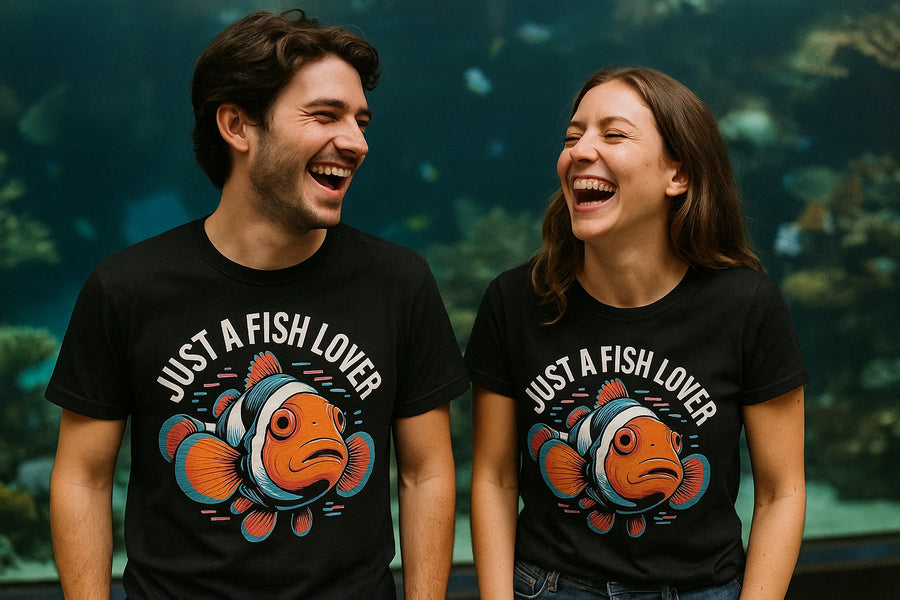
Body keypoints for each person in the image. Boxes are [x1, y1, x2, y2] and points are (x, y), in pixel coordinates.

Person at [47, 9, 468, 600]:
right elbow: (82, 478)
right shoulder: (127, 286)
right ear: (238, 126)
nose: (356, 142)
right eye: (325, 115)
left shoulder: (400, 283)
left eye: (360, 121)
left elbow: (427, 472)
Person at [466, 66, 807, 600]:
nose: (580, 151)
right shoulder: (514, 301)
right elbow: (493, 478)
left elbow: (781, 492)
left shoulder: (747, 304)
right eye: (573, 135)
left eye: (614, 133)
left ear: (679, 174)